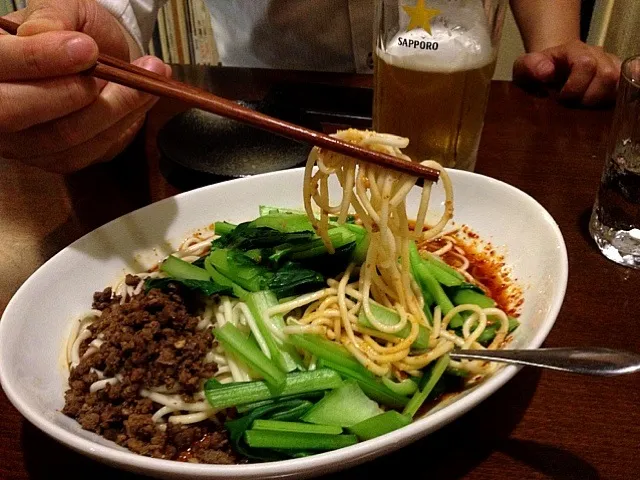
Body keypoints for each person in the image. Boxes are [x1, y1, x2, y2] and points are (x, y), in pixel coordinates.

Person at [0, 0, 621, 173]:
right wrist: (84, 35)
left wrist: (554, 44)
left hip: (465, 132)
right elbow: (108, 11)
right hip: (265, 135)